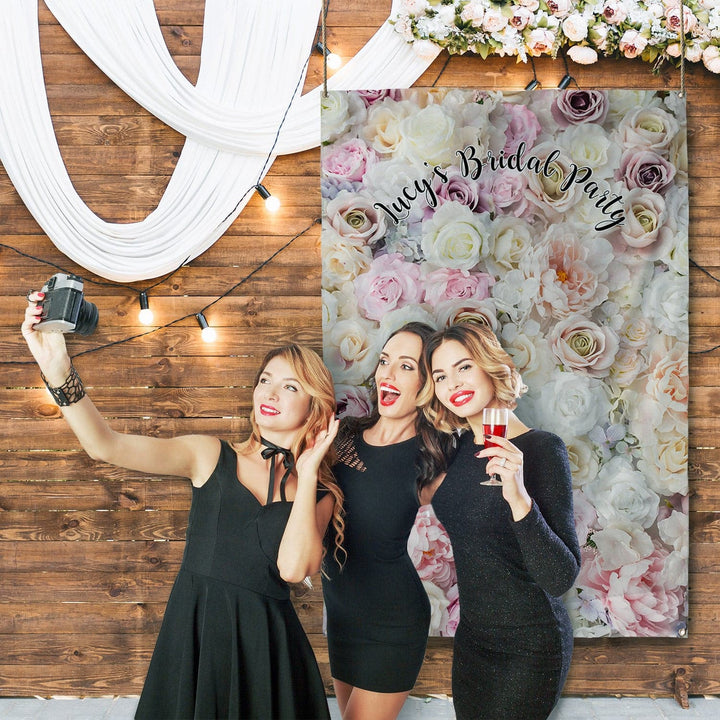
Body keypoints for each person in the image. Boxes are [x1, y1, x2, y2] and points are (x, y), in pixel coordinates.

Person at [22, 290, 344, 720]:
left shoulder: (319, 494)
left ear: (313, 406)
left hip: (268, 655)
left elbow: (292, 569)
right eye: (265, 380)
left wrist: (307, 473)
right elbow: (105, 446)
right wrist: (57, 369)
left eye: (290, 387)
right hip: (195, 638)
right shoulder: (208, 455)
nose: (271, 393)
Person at [418, 322, 581, 720]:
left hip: (530, 645)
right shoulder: (457, 450)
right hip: (473, 641)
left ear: (490, 366)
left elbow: (560, 577)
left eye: (464, 367)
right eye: (441, 376)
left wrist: (519, 498)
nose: (453, 383)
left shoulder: (542, 449)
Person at [322, 322, 453, 720]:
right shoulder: (342, 435)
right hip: (341, 616)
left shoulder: (433, 458)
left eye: (406, 366)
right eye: (384, 361)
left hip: (393, 622)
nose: (387, 374)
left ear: (427, 384)